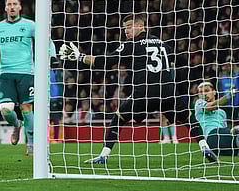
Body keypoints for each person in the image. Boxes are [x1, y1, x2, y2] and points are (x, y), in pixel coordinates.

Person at [59, 13, 217, 163]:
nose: (125, 31)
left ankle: (103, 155)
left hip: (144, 93)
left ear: (141, 26)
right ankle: (205, 147)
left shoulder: (131, 44)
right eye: (124, 28)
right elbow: (176, 65)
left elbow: (105, 62)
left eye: (129, 27)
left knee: (119, 117)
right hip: (168, 92)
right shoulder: (163, 44)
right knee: (189, 118)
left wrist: (80, 57)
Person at [0, 0, 35, 155]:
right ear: (5, 8)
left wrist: (52, 57)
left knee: (27, 107)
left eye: (15, 4)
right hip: (6, 73)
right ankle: (16, 125)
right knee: (6, 110)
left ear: (20, 7)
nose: (12, 7)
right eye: (9, 4)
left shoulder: (30, 25)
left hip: (26, 72)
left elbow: (46, 41)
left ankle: (32, 145)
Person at [195, 81, 239, 156]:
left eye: (206, 91)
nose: (204, 94)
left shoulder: (222, 112)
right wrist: (228, 96)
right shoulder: (199, 104)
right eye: (200, 92)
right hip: (211, 136)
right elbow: (210, 106)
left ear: (214, 92)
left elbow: (224, 129)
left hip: (222, 138)